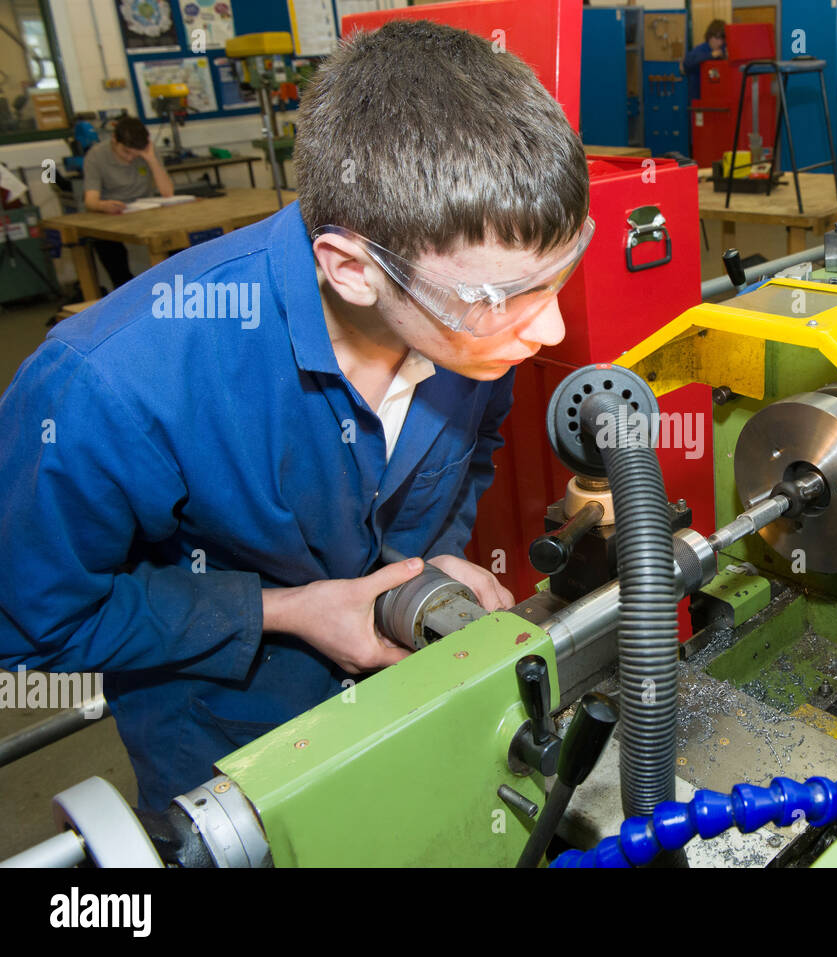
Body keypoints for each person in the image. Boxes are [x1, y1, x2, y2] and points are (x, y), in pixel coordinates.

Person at [0, 20, 591, 811]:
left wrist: (427, 568)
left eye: (557, 276)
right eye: (504, 296)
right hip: (236, 750)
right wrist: (288, 610)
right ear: (351, 269)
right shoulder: (109, 386)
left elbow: (473, 449)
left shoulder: (470, 336)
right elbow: (34, 631)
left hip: (417, 707)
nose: (548, 330)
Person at [81, 115, 175, 290]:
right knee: (106, 246)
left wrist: (151, 159)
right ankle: (124, 290)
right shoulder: (96, 156)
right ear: (114, 140)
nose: (131, 158)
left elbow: (167, 192)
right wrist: (103, 205)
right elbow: (90, 201)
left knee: (175, 240)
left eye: (135, 154)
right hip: (114, 216)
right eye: (126, 152)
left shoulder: (145, 152)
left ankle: (172, 287)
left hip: (146, 212)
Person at [682, 18, 728, 101]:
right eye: (717, 38)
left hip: (718, 98)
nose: (720, 43)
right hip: (699, 99)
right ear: (709, 36)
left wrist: (726, 56)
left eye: (722, 39)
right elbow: (686, 64)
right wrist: (710, 55)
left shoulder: (724, 49)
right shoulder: (699, 50)